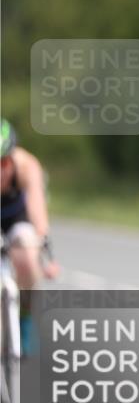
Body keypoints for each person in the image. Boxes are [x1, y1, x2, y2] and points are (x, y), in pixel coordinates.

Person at [1, 119, 59, 352]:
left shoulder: (27, 167)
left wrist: (43, 244)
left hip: (17, 217)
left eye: (4, 162)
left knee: (26, 255)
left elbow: (37, 209)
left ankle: (24, 315)